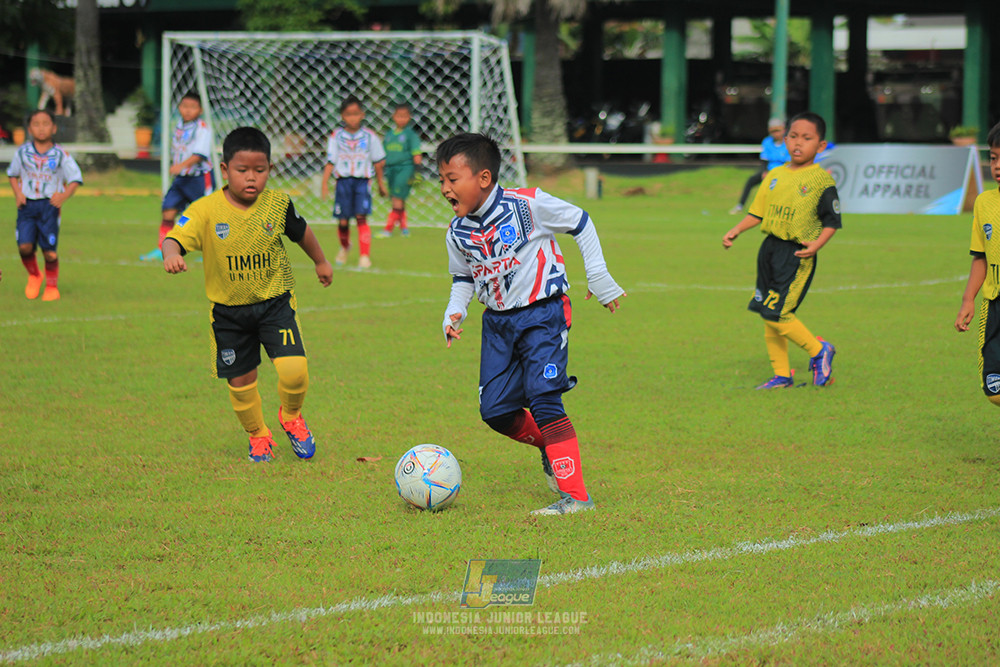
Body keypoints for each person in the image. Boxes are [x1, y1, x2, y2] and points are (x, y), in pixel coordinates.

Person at [438, 132, 625, 516]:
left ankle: (577, 497)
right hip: (497, 326)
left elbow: (580, 221)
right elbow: (463, 278)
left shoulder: (528, 204)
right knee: (495, 411)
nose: (444, 189)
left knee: (544, 398)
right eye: (441, 180)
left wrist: (598, 275)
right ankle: (549, 446)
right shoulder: (457, 233)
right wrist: (454, 312)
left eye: (452, 179)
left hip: (543, 315)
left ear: (484, 178)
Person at [161, 127, 333, 462]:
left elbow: (302, 232)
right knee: (241, 381)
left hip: (275, 303)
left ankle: (291, 416)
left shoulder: (278, 204)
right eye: (242, 170)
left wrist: (321, 261)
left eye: (260, 170)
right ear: (225, 170)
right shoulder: (205, 210)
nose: (251, 178)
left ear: (270, 168)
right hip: (229, 313)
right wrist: (171, 254)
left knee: (295, 370)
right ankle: (258, 435)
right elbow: (174, 237)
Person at [722, 111, 840, 389]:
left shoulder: (821, 181)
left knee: (779, 313)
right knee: (768, 312)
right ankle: (782, 375)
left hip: (797, 253)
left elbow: (832, 221)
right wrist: (736, 230)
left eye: (807, 138)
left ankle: (819, 350)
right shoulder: (774, 175)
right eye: (793, 136)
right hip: (769, 249)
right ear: (785, 140)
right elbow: (757, 212)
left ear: (821, 145)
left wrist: (816, 245)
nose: (798, 143)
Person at [7, 109, 82, 301]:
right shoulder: (22, 152)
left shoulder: (60, 155)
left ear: (54, 128)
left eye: (46, 124)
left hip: (49, 207)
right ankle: (34, 275)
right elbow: (12, 174)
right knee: (24, 247)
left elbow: (75, 178)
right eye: (36, 124)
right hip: (27, 206)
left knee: (49, 252)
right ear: (30, 128)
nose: (41, 128)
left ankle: (51, 287)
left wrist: (63, 196)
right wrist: (18, 194)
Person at [955, 121, 1000, 407]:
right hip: (994, 305)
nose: (997, 165)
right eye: (994, 158)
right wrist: (968, 299)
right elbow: (980, 256)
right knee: (994, 391)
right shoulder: (984, 203)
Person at [140, 91, 214, 261]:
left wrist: (180, 165)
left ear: (200, 110)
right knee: (168, 210)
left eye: (192, 107)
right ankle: (162, 249)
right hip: (181, 179)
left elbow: (200, 154)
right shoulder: (178, 126)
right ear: (179, 107)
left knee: (206, 216)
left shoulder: (202, 128)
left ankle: (212, 252)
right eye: (184, 106)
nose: (188, 110)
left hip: (199, 177)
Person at [320, 95, 387, 269]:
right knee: (343, 221)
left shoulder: (370, 136)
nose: (353, 118)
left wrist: (381, 184)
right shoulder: (336, 136)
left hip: (362, 182)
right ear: (343, 116)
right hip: (343, 182)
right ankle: (345, 246)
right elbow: (330, 160)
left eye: (356, 114)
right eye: (348, 114)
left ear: (362, 114)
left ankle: (364, 256)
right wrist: (324, 184)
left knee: (361, 217)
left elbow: (378, 162)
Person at [379, 103, 423, 238]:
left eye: (404, 116)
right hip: (391, 170)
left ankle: (388, 229)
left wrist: (418, 171)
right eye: (399, 116)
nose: (401, 119)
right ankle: (404, 228)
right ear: (393, 116)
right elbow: (382, 155)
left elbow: (416, 153)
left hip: (405, 169)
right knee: (397, 198)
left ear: (409, 117)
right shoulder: (389, 135)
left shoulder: (410, 135)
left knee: (397, 199)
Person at [729, 118, 789, 215]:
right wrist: (764, 172)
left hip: (783, 172)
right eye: (773, 131)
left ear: (784, 130)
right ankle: (740, 206)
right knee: (751, 180)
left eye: (778, 130)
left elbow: (789, 163)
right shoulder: (767, 142)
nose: (776, 134)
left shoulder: (788, 142)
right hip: (769, 171)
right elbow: (764, 160)